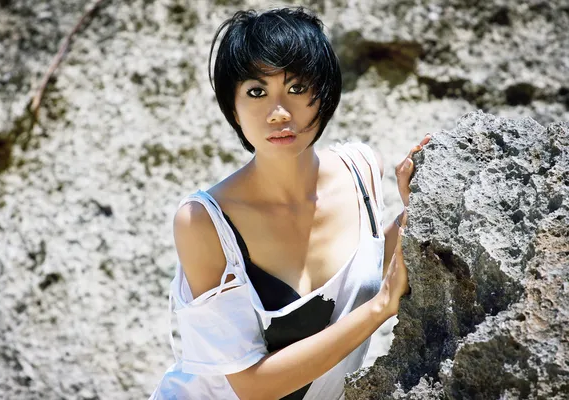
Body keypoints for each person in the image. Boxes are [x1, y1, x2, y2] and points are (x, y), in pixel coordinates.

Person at [149, 7, 430, 400]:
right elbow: (252, 386)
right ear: (233, 106)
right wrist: (381, 307)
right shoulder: (203, 222)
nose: (279, 113)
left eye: (297, 88)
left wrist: (418, 209)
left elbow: (365, 266)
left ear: (325, 94)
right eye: (256, 92)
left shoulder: (361, 170)